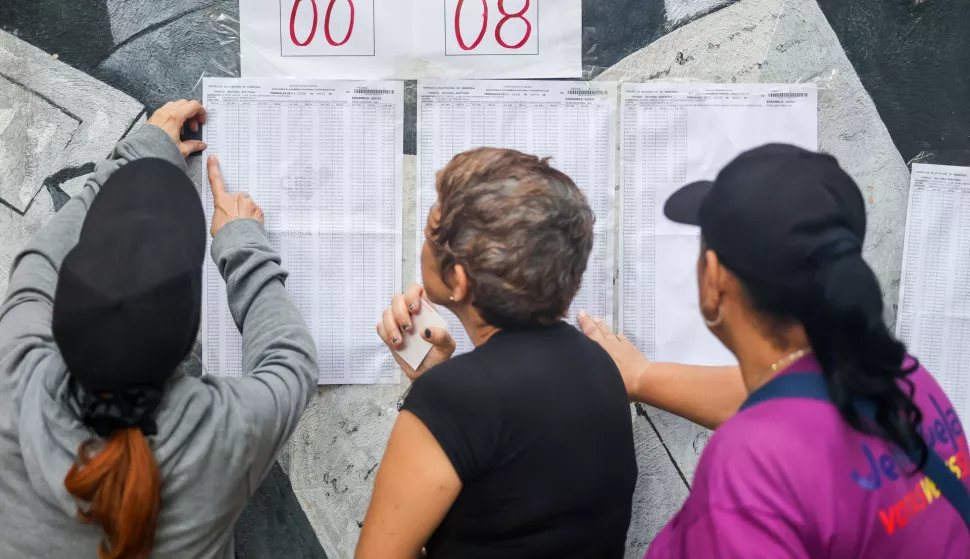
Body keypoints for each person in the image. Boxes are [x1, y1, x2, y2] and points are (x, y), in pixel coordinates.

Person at [579, 144, 970, 557]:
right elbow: (782, 401)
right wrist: (642, 377)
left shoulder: (751, 465)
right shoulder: (899, 376)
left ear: (715, 279)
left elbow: (779, 436)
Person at [0, 100, 318, 559]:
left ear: (59, 309)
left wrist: (139, 155)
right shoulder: (222, 433)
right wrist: (241, 241)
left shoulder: (14, 366)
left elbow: (39, 261)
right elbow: (293, 361)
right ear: (189, 343)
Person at [356, 148, 638, 559]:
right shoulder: (601, 365)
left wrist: (439, 393)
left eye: (429, 237)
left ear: (458, 280)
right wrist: (438, 379)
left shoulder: (453, 398)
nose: (423, 247)